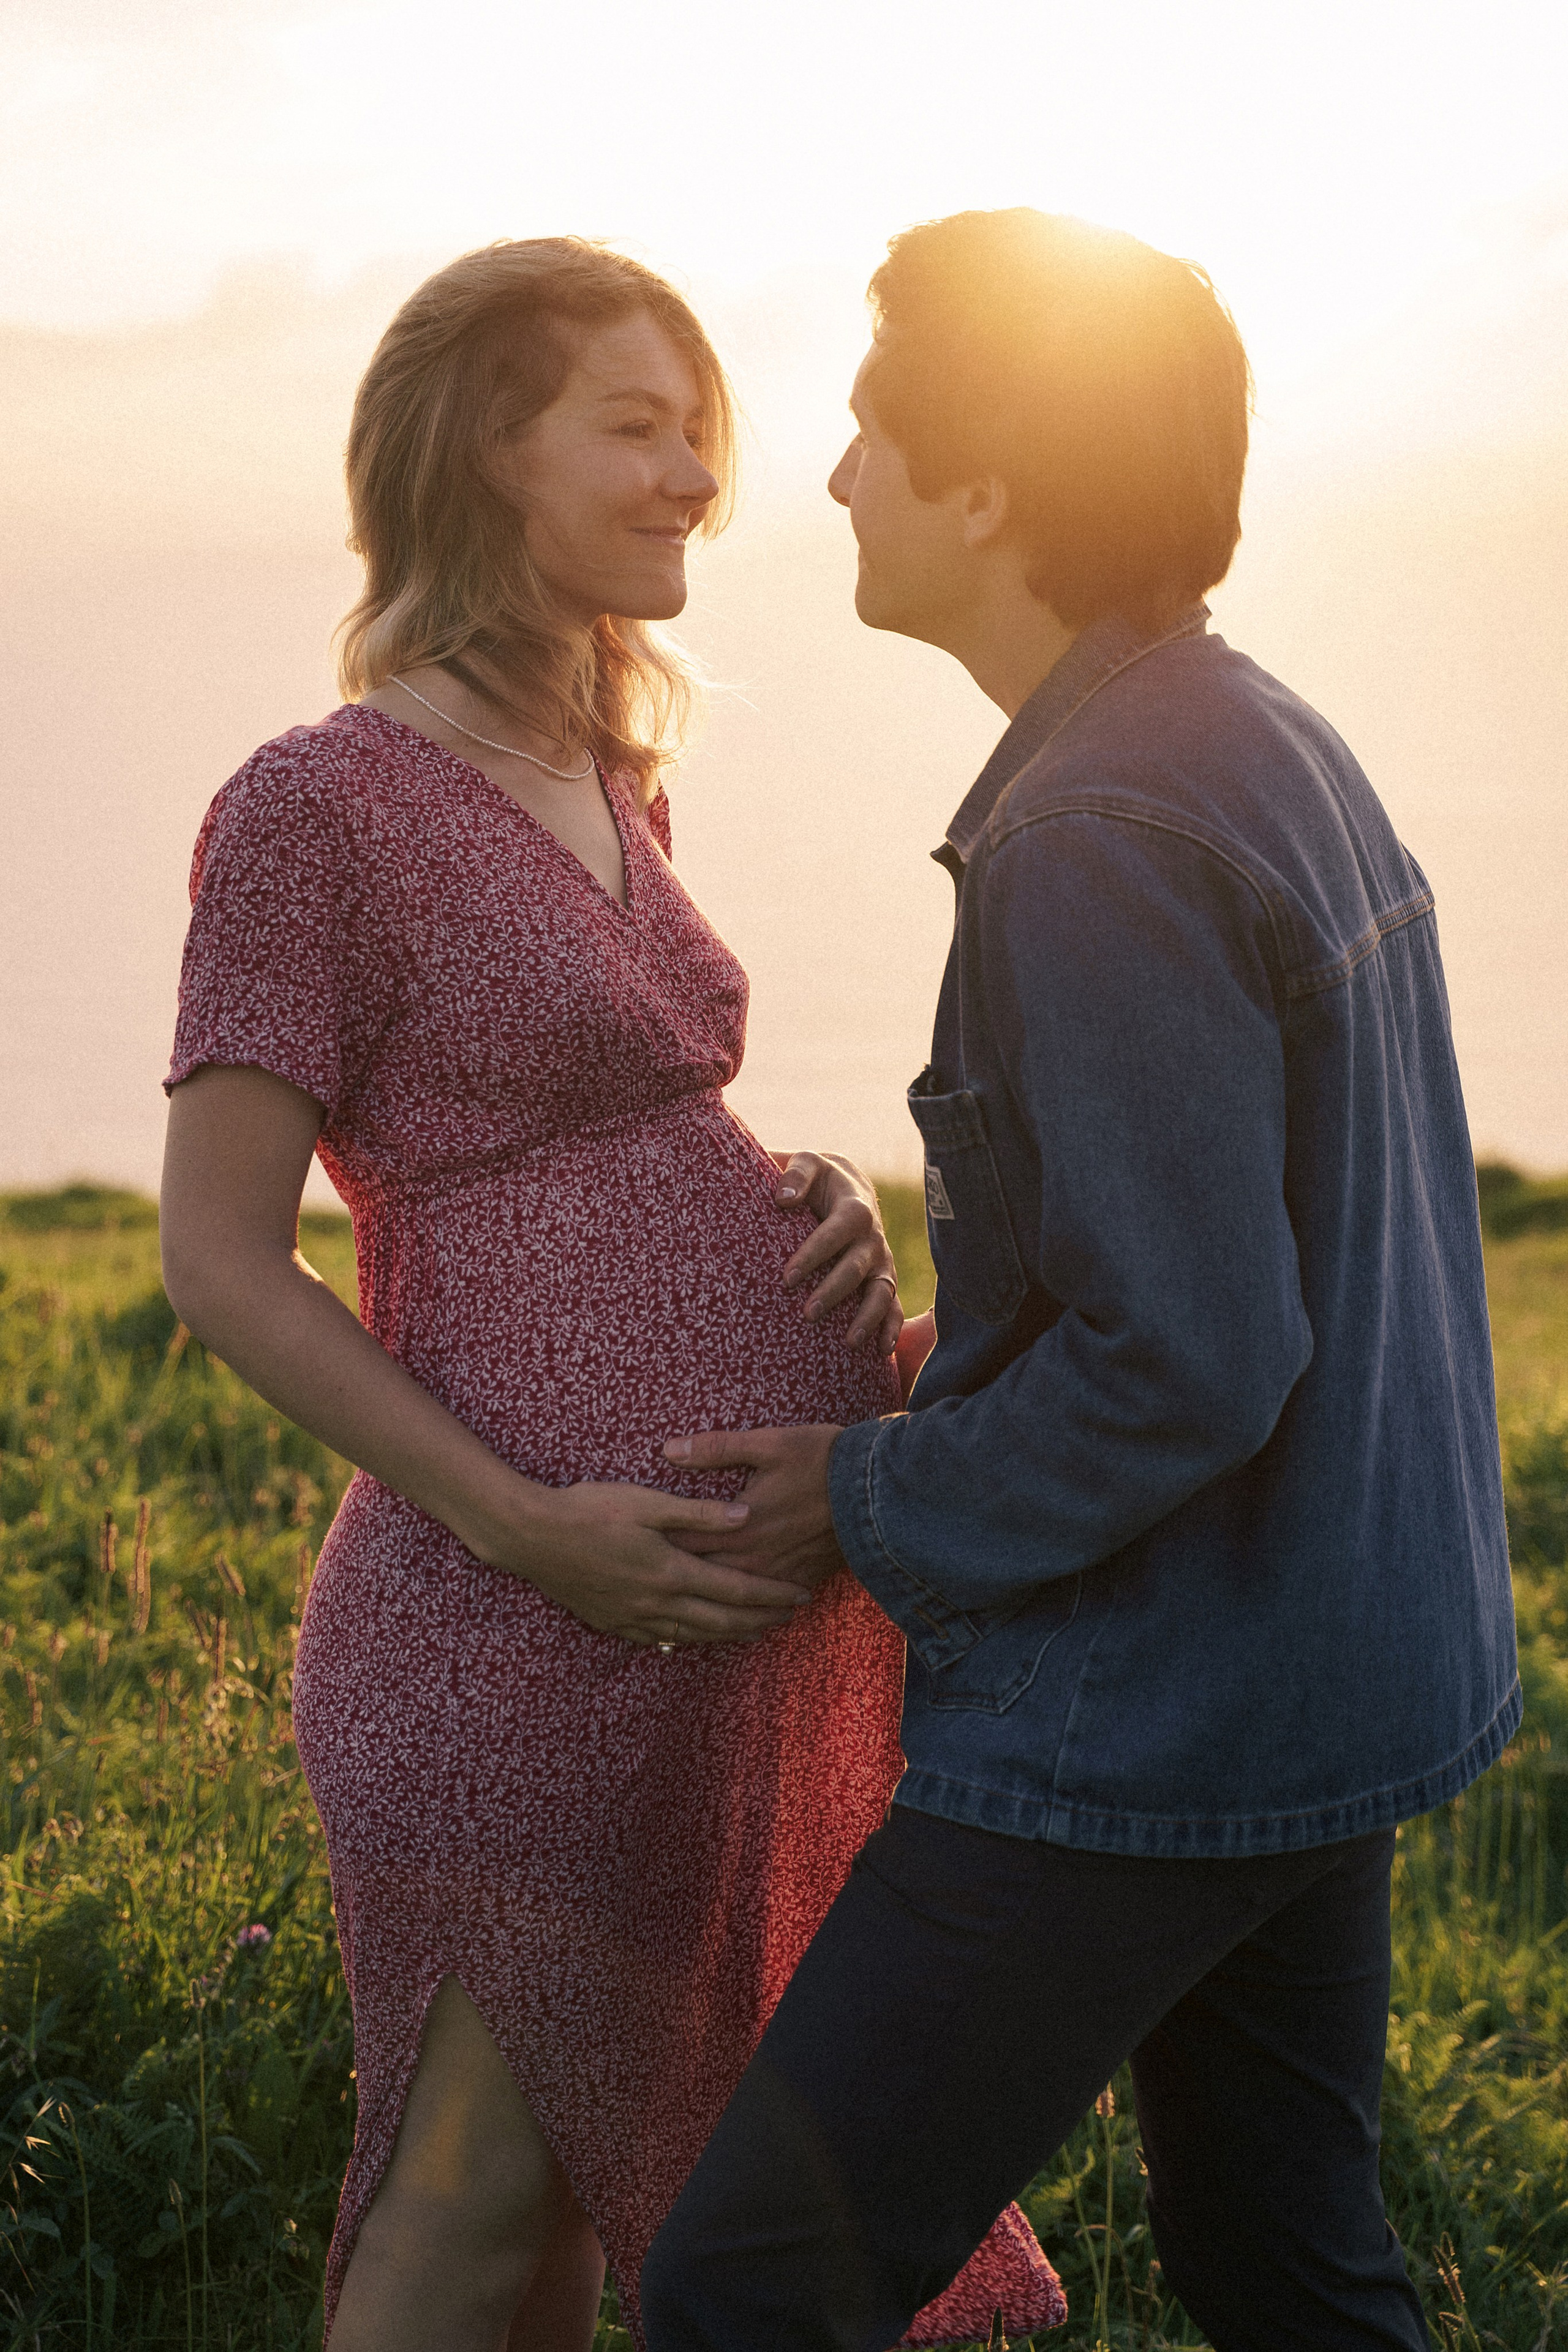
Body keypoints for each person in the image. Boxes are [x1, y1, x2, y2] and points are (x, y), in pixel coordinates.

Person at [158, 238, 1060, 2352]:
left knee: (575, 2215)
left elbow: (625, 1112)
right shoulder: (319, 806)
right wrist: (524, 1521)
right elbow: (218, 1257)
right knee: (472, 2211)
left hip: (699, 1634)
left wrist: (814, 1188)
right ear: (488, 443)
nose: (695, 484)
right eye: (635, 429)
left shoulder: (610, 765)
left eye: (702, 437)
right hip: (506, 1627)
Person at [640, 208, 1521, 2352]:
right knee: (1285, 2268)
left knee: (746, 2292)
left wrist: (861, 1495)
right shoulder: (1256, 736)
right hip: (1337, 1670)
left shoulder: (1095, 831)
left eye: (869, 428)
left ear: (989, 484)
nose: (831, 474)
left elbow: (1188, 1360)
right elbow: (1242, 1277)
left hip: (1158, 1722)